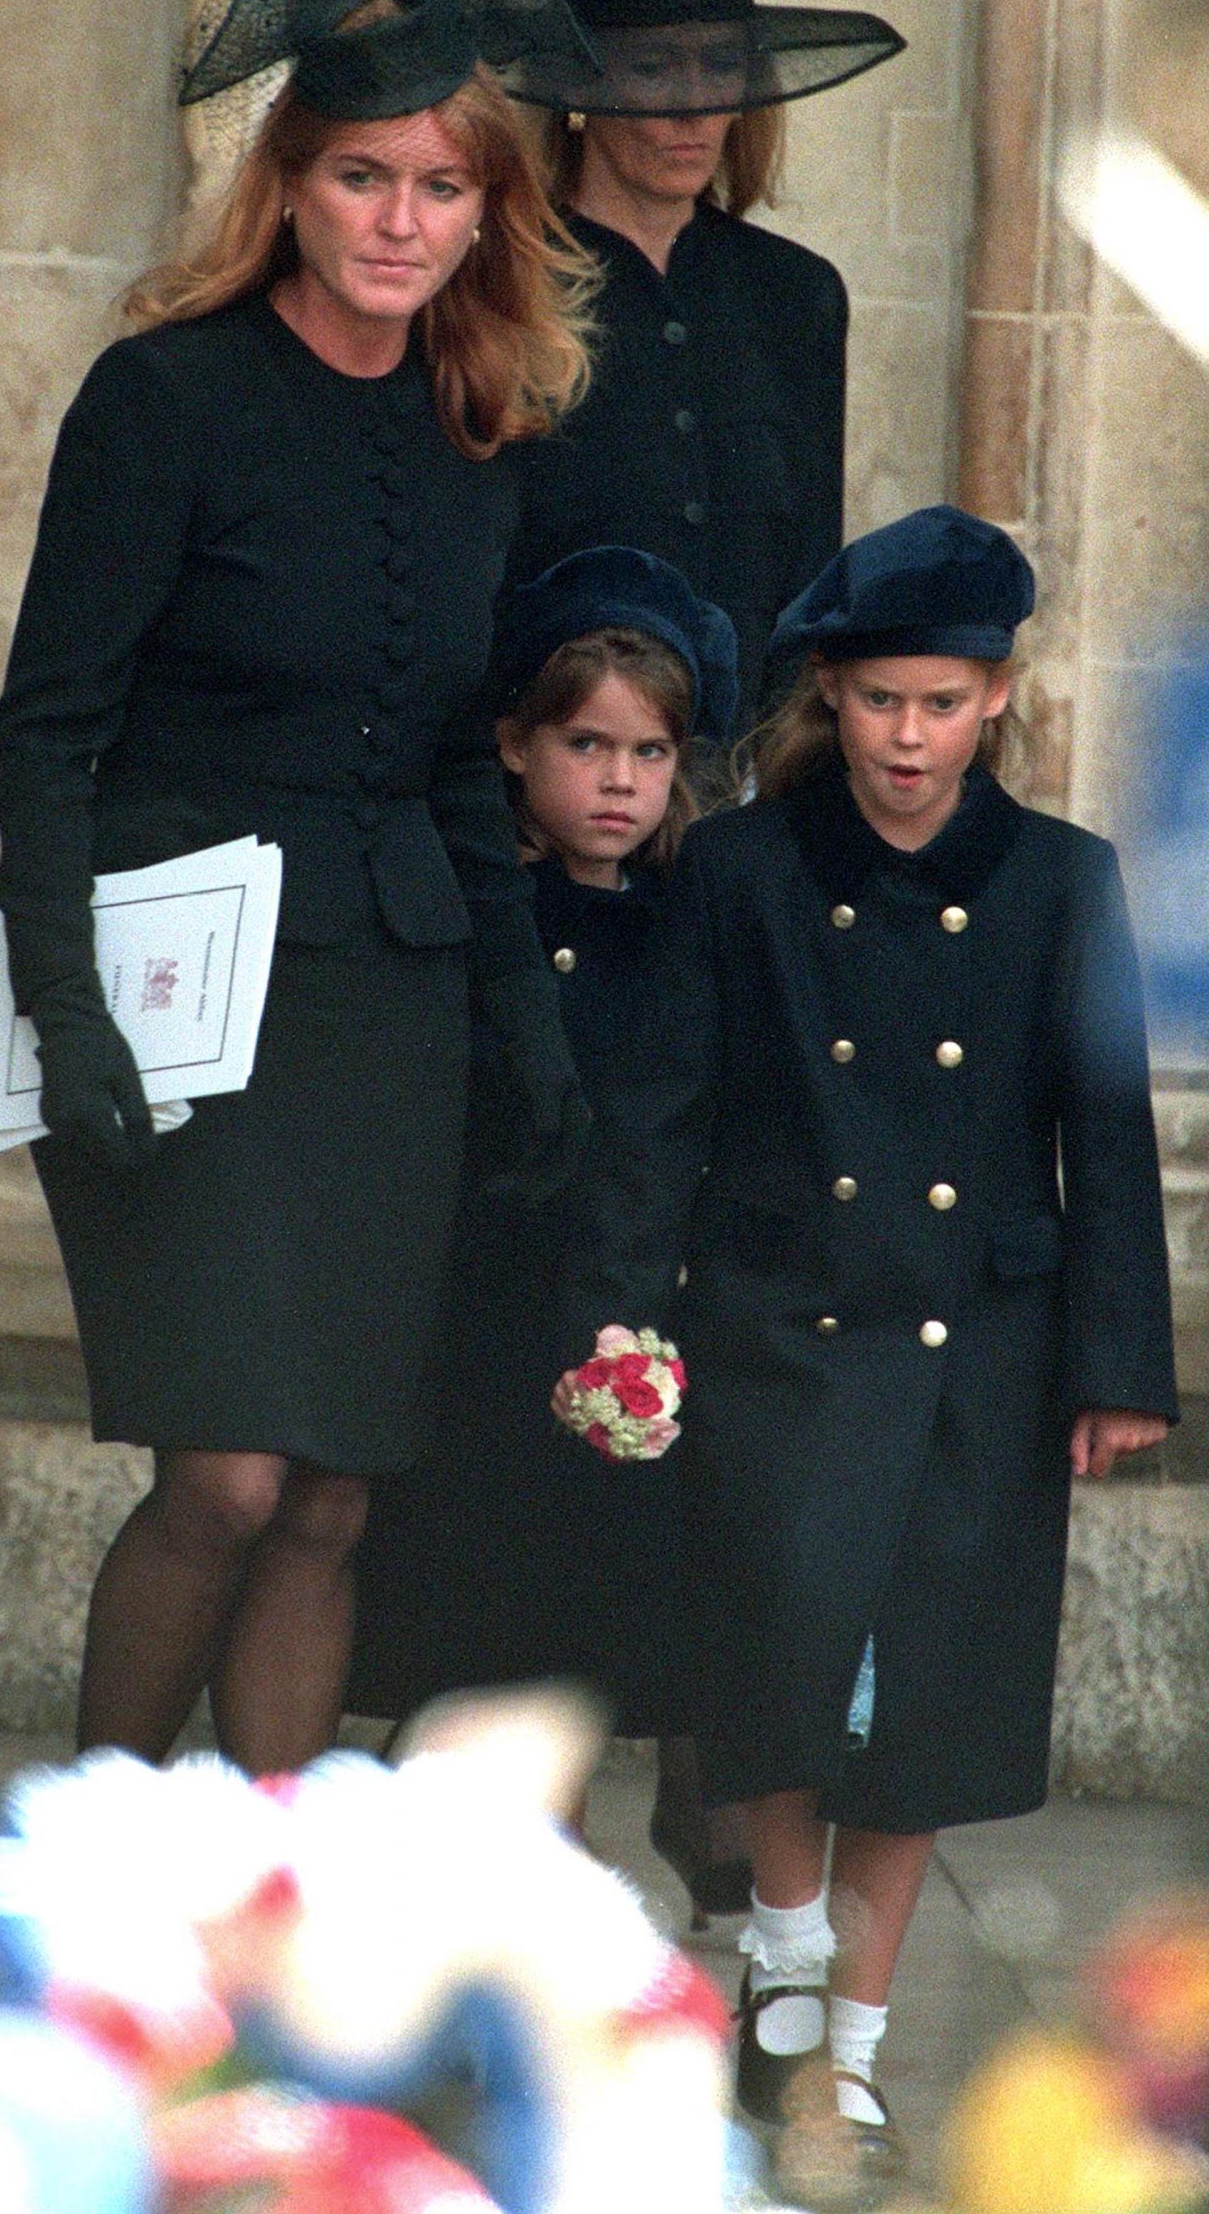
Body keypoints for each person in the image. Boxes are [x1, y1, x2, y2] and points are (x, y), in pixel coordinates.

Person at [0, 0, 598, 1777]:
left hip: (383, 1009)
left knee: (332, 1495)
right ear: (289, 182)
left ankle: (268, 1938)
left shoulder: (476, 433)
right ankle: (83, 1878)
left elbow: (442, 766)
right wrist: (63, 1007)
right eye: (360, 176)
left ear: (487, 210)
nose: (397, 221)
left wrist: (524, 1026)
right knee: (227, 1477)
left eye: (438, 186)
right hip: (182, 1008)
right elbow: (48, 726)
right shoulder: (163, 400)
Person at [562, 504, 1178, 2186]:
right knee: (776, 1662)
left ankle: (848, 2051)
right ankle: (774, 1952)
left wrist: (1115, 1363)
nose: (905, 739)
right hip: (777, 1326)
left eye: (939, 702)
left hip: (975, 1345)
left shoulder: (1062, 883)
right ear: (825, 701)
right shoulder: (743, 873)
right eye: (876, 702)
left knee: (918, 1702)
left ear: (995, 701)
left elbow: (1099, 1126)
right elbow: (659, 1116)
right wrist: (618, 1316)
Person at [348, 547, 748, 1912]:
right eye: (586, 744)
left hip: (610, 1310)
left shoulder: (684, 921)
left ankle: (558, 1844)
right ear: (516, 745)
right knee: (472, 1587)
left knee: (576, 1603)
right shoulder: (476, 912)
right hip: (465, 1308)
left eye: (648, 750)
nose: (620, 781)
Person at [503, 0, 905, 731]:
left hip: (741, 796)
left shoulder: (795, 295)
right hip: (541, 794)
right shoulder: (502, 282)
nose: (693, 104)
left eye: (720, 64)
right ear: (583, 80)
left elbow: (808, 583)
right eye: (652, 68)